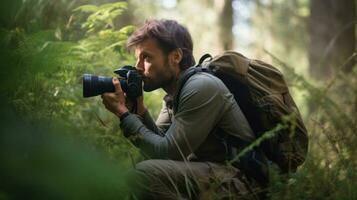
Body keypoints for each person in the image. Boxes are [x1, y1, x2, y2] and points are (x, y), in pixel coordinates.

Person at [101, 19, 263, 200]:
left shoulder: (200, 86)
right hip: (215, 173)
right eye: (137, 58)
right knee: (146, 165)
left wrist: (123, 114)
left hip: (244, 181)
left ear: (176, 57)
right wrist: (138, 107)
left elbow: (168, 152)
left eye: (146, 58)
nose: (138, 67)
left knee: (146, 173)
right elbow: (156, 146)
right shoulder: (175, 94)